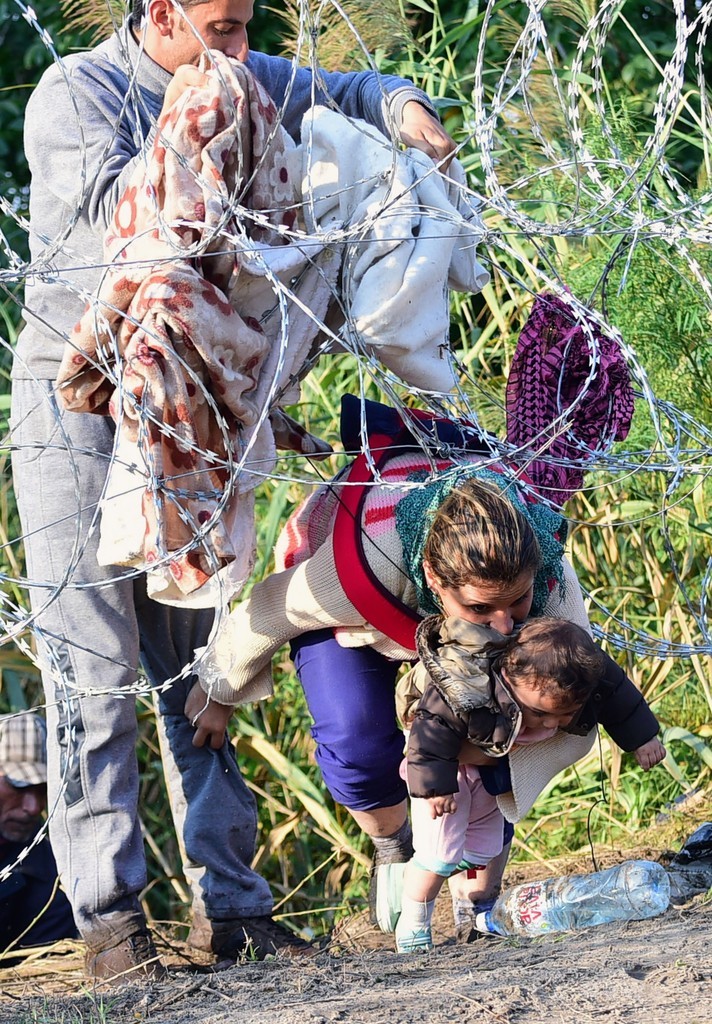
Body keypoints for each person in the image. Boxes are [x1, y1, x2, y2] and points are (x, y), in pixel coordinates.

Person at [11, 0, 456, 982]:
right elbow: (111, 236)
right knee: (93, 671)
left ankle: (235, 908)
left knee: (197, 667)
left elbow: (339, 92)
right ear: (160, 12)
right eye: (220, 25)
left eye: (247, 25)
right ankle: (111, 923)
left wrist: (401, 103)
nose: (241, 48)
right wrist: (198, 121)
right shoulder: (76, 93)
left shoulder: (239, 74)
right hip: (80, 413)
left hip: (196, 414)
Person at [183, 400, 658, 934]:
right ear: (435, 577)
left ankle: (474, 877)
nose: (504, 626)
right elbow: (270, 610)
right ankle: (393, 845)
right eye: (482, 609)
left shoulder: (547, 581)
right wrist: (219, 690)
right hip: (364, 616)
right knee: (356, 736)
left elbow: (588, 682)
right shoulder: (363, 565)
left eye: (516, 604)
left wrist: (496, 746)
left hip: (450, 615)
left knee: (526, 713)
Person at [393, 616, 665, 952]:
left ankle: (436, 891)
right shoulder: (468, 683)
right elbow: (432, 726)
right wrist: (435, 783)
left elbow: (618, 694)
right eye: (539, 713)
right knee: (438, 857)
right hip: (450, 778)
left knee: (483, 850)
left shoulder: (577, 675)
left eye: (564, 715)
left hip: (489, 778)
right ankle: (414, 926)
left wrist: (643, 738)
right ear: (508, 676)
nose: (550, 723)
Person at [0, 714, 78, 963]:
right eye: (19, 787)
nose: (34, 807)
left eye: (44, 788)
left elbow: (41, 964)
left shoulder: (52, 874)